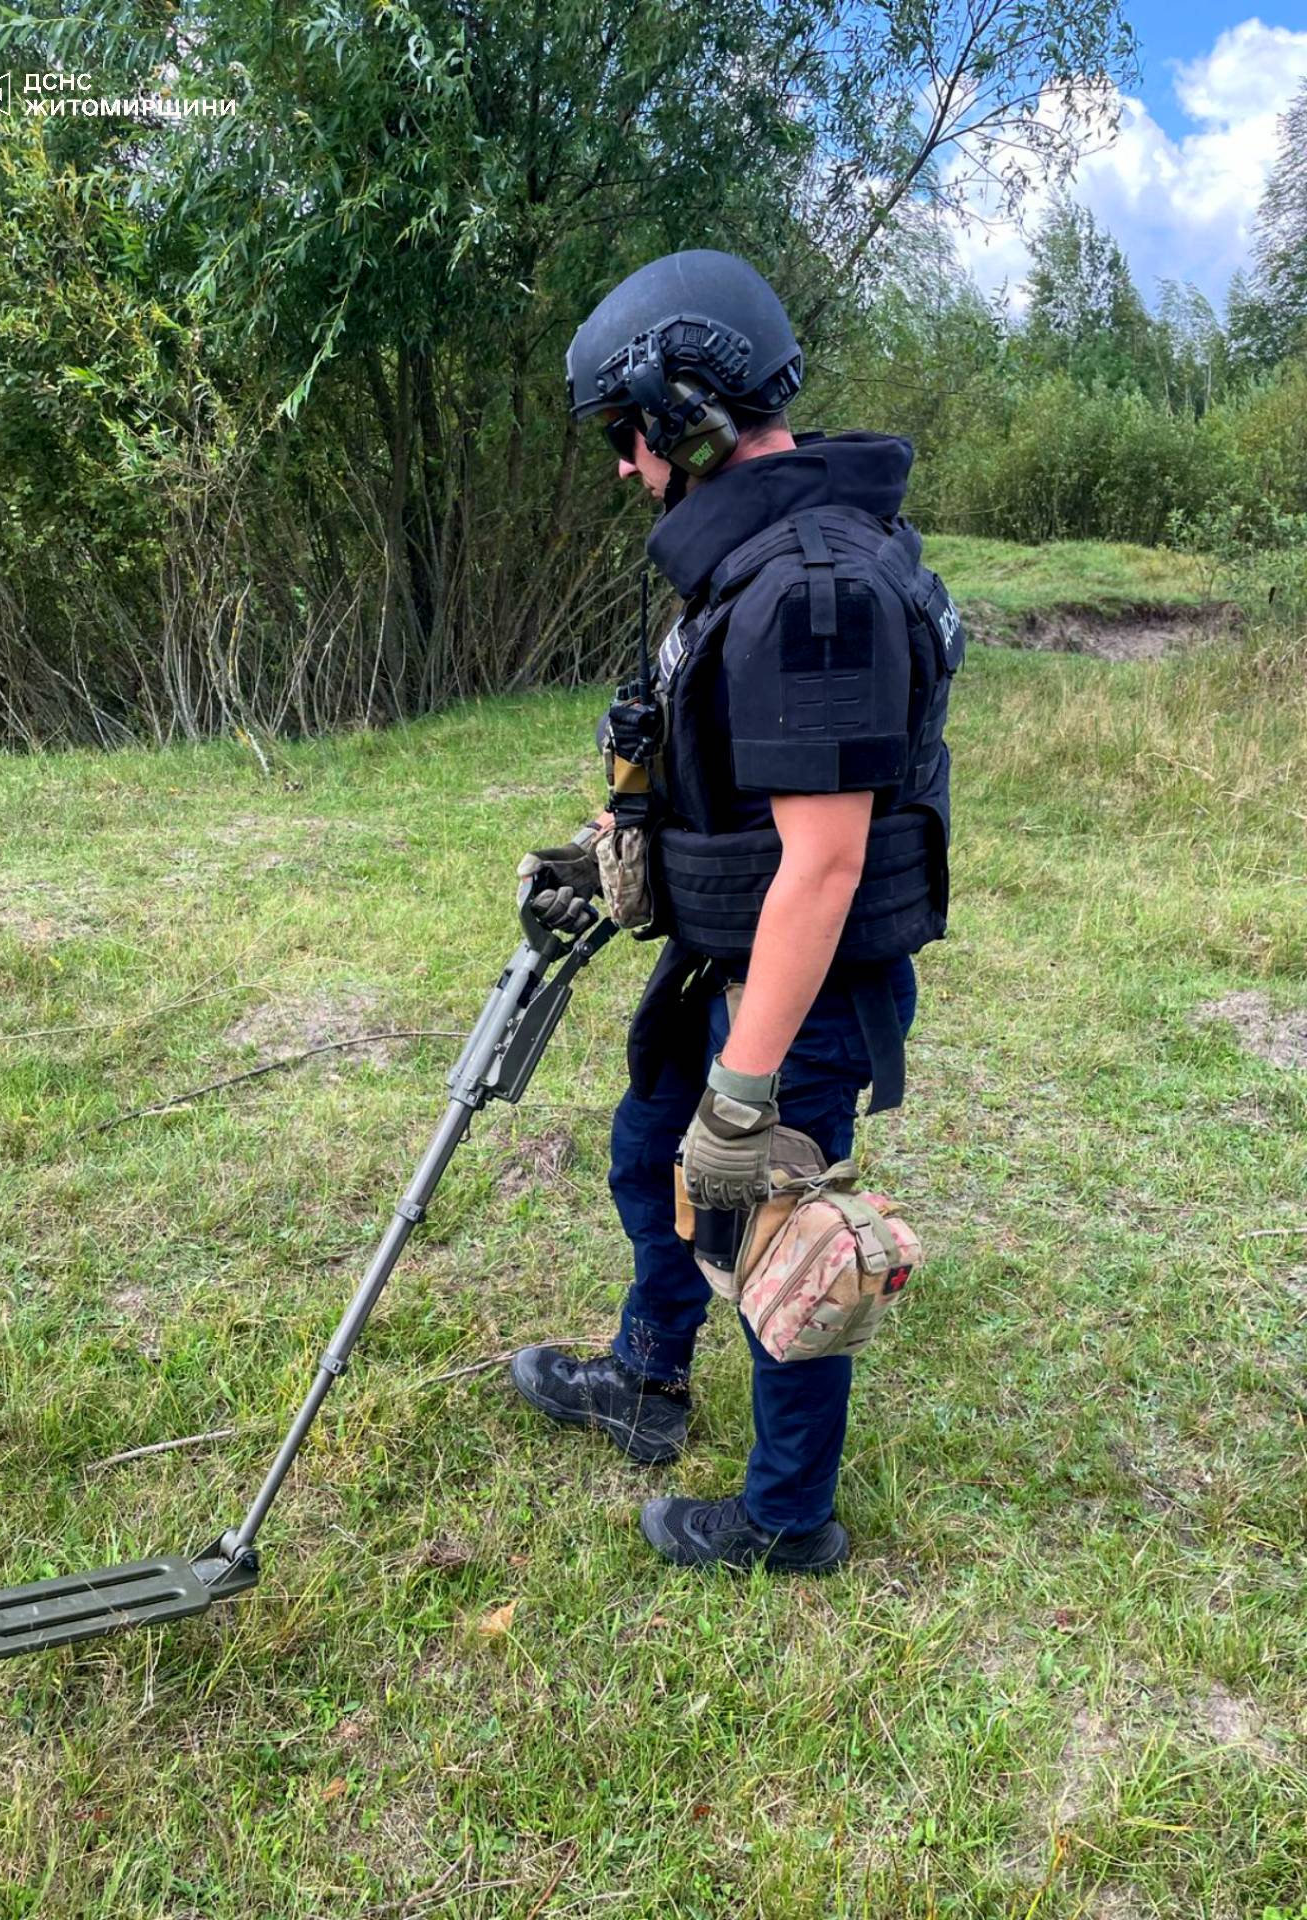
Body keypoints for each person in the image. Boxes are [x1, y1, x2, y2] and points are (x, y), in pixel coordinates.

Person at [509, 250, 957, 1573]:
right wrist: (609, 852)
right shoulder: (752, 563)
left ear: (680, 413)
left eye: (622, 435)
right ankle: (648, 1380)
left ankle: (786, 1519)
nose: (621, 466)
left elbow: (822, 862)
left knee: (782, 1240)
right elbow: (731, 787)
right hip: (728, 951)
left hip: (798, 990)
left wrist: (749, 1095)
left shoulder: (812, 592)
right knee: (653, 1155)